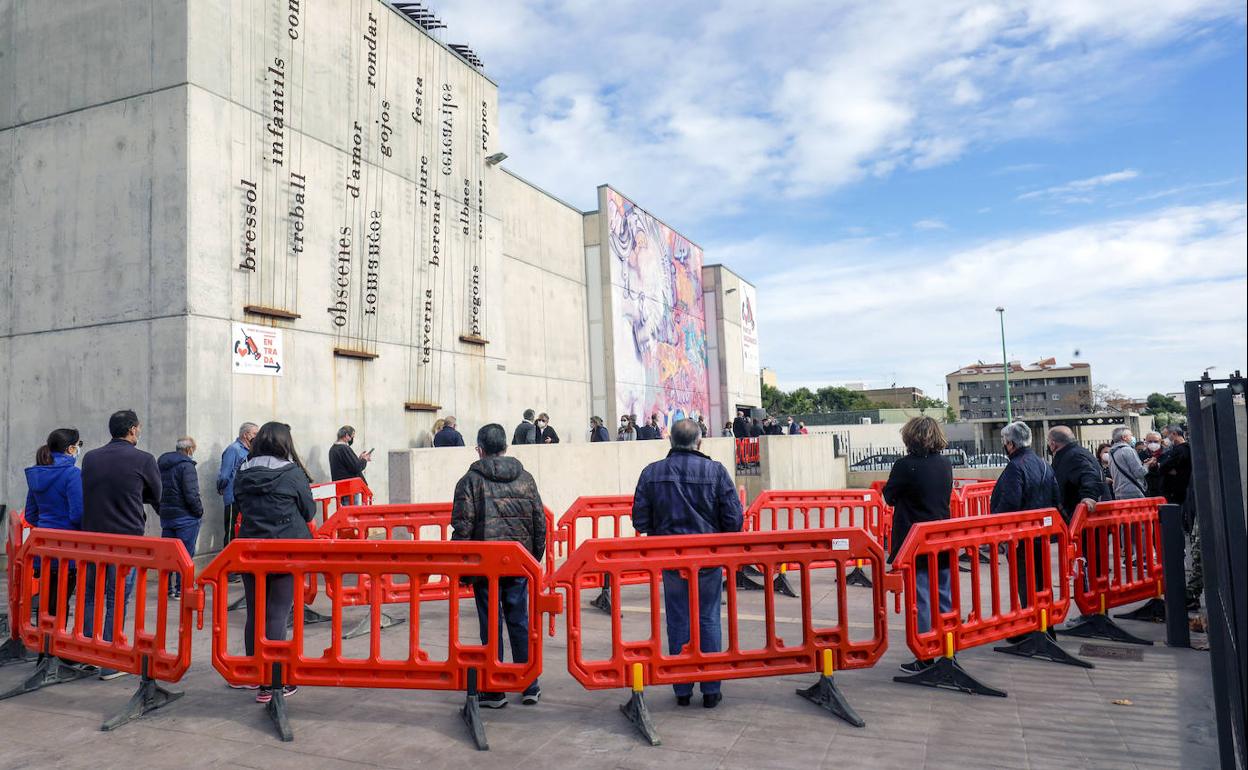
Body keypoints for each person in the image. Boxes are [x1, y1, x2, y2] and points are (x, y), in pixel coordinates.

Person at [632, 419, 743, 708]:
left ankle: (681, 687)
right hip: (708, 557)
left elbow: (640, 520)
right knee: (708, 618)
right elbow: (734, 521)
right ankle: (711, 688)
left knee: (678, 618)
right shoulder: (716, 471)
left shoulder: (651, 472)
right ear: (700, 442)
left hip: (670, 558)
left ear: (670, 441)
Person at [451, 424, 546, 708]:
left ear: (481, 448)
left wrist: (462, 569)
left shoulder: (469, 481)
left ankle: (495, 688)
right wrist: (532, 560)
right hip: (517, 563)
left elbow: (463, 528)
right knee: (520, 621)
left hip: (485, 567)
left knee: (490, 624)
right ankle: (528, 682)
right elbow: (539, 523)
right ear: (505, 446)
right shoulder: (526, 479)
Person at [233, 422, 314, 703]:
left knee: (255, 613)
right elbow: (309, 509)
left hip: (250, 550)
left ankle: (255, 674)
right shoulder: (292, 473)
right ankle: (274, 679)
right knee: (277, 613)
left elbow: (240, 506)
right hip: (285, 550)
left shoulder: (242, 471)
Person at [81, 409, 161, 680]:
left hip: (92, 538)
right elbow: (156, 494)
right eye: (138, 428)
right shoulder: (144, 459)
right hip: (126, 539)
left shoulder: (90, 458)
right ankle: (110, 659)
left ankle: (87, 654)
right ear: (132, 430)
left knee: (92, 595)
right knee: (117, 597)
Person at [882, 416, 953, 673]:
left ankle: (925, 655)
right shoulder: (945, 463)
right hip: (941, 536)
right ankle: (947, 647)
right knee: (943, 595)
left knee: (922, 597)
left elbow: (890, 497)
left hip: (914, 540)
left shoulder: (904, 465)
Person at [990, 421, 1060, 612]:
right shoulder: (1043, 463)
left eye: (1004, 442)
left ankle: (1032, 624)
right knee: (1042, 578)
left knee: (1026, 578)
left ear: (1010, 444)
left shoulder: (1015, 466)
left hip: (1021, 534)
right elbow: (1056, 496)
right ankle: (1045, 621)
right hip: (1041, 532)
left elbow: (1010, 502)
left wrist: (994, 526)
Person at [24, 428, 84, 630]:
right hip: (67, 550)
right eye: (78, 445)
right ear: (70, 448)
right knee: (60, 602)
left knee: (47, 601)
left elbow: (31, 514)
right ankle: (53, 649)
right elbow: (78, 514)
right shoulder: (72, 474)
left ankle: (45, 646)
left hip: (43, 548)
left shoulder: (37, 474)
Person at [157, 437, 203, 599]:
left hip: (167, 517)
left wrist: (161, 510)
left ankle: (167, 589)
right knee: (185, 555)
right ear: (189, 449)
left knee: (169, 555)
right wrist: (199, 512)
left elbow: (156, 491)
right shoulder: (187, 466)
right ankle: (182, 588)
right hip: (186, 517)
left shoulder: (161, 464)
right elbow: (192, 494)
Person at [1157, 426, 1198, 608]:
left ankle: (1192, 592)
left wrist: (1167, 469)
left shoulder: (1182, 451)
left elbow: (1165, 466)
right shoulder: (1184, 450)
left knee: (1193, 546)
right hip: (1184, 500)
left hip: (1181, 499)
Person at [1046, 426, 1106, 521]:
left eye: (1048, 441)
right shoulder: (1079, 453)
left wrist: (1089, 496)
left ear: (1053, 444)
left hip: (1080, 520)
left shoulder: (1073, 456)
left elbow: (1089, 474)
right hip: (1082, 518)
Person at [217, 422, 258, 549]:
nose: (258, 437)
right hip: (233, 498)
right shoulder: (233, 450)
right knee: (231, 533)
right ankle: (228, 565)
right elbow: (224, 475)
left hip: (246, 498)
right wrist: (221, 487)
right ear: (246, 435)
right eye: (255, 434)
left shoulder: (251, 451)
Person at [1106, 427, 1148, 500]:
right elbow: (1139, 473)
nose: (1132, 438)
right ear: (1124, 437)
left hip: (1118, 491)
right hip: (1132, 491)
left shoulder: (1112, 453)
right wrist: (1147, 465)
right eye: (1130, 435)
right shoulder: (1128, 450)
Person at [1140, 432, 1164, 496]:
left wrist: (1157, 465)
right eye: (1150, 442)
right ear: (1146, 442)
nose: (1153, 444)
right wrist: (1145, 465)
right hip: (1148, 489)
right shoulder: (1141, 455)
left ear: (1161, 441)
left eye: (1156, 441)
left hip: (1165, 489)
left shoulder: (1168, 453)